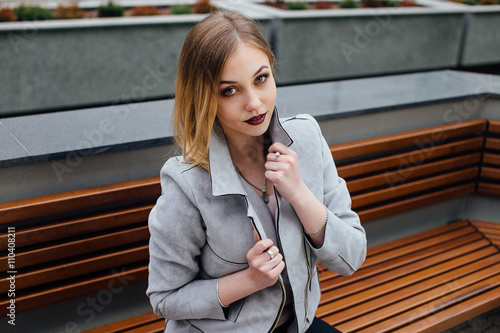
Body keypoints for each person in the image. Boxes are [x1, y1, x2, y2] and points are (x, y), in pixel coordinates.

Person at [146, 10, 367, 333]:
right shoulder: (186, 181)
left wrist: (300, 194)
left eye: (261, 79)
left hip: (297, 326)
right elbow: (165, 298)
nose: (254, 103)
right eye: (229, 91)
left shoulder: (305, 138)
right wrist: (249, 280)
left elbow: (351, 257)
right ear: (204, 97)